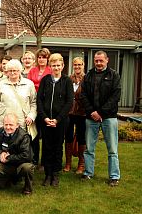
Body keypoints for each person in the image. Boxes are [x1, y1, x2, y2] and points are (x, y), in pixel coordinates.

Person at [80, 51, 121, 187]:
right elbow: (83, 95)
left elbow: (115, 97)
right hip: (91, 117)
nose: (98, 63)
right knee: (89, 148)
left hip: (109, 117)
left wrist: (101, 113)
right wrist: (92, 111)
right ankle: (88, 173)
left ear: (107, 60)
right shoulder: (88, 76)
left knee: (112, 149)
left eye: (101, 61)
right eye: (96, 61)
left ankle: (114, 176)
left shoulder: (114, 75)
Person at [37, 53, 73, 187]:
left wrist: (57, 119)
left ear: (63, 66)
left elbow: (69, 102)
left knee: (58, 147)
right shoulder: (45, 80)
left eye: (58, 65)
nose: (56, 68)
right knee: (46, 147)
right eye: (53, 65)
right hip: (45, 120)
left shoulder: (67, 81)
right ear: (50, 66)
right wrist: (45, 117)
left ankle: (55, 174)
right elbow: (39, 99)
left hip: (60, 121)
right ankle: (47, 174)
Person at [0, 113, 34, 195]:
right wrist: (0, 153)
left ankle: (27, 188)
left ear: (17, 125)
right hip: (6, 164)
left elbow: (26, 156)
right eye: (6, 124)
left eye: (11, 125)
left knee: (27, 167)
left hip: (20, 164)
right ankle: (6, 183)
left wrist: (9, 158)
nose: (8, 127)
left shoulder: (24, 136)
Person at [0, 59, 37, 134]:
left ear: (20, 71)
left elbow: (33, 103)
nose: (12, 73)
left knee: (22, 143)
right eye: (10, 70)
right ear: (7, 72)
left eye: (15, 70)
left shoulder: (29, 84)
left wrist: (31, 116)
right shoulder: (1, 85)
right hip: (5, 123)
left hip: (23, 122)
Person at [27, 48, 51, 167]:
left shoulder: (50, 71)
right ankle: (34, 159)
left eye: (44, 57)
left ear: (48, 59)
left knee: (46, 136)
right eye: (39, 57)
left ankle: (45, 161)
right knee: (34, 135)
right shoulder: (32, 71)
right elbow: (29, 86)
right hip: (33, 104)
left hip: (45, 105)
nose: (41, 59)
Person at [63, 57, 86, 174]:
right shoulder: (69, 79)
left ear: (83, 65)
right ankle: (68, 163)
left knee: (82, 137)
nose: (77, 67)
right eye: (75, 65)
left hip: (82, 113)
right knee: (68, 136)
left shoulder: (86, 79)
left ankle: (81, 164)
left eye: (79, 64)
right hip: (69, 112)